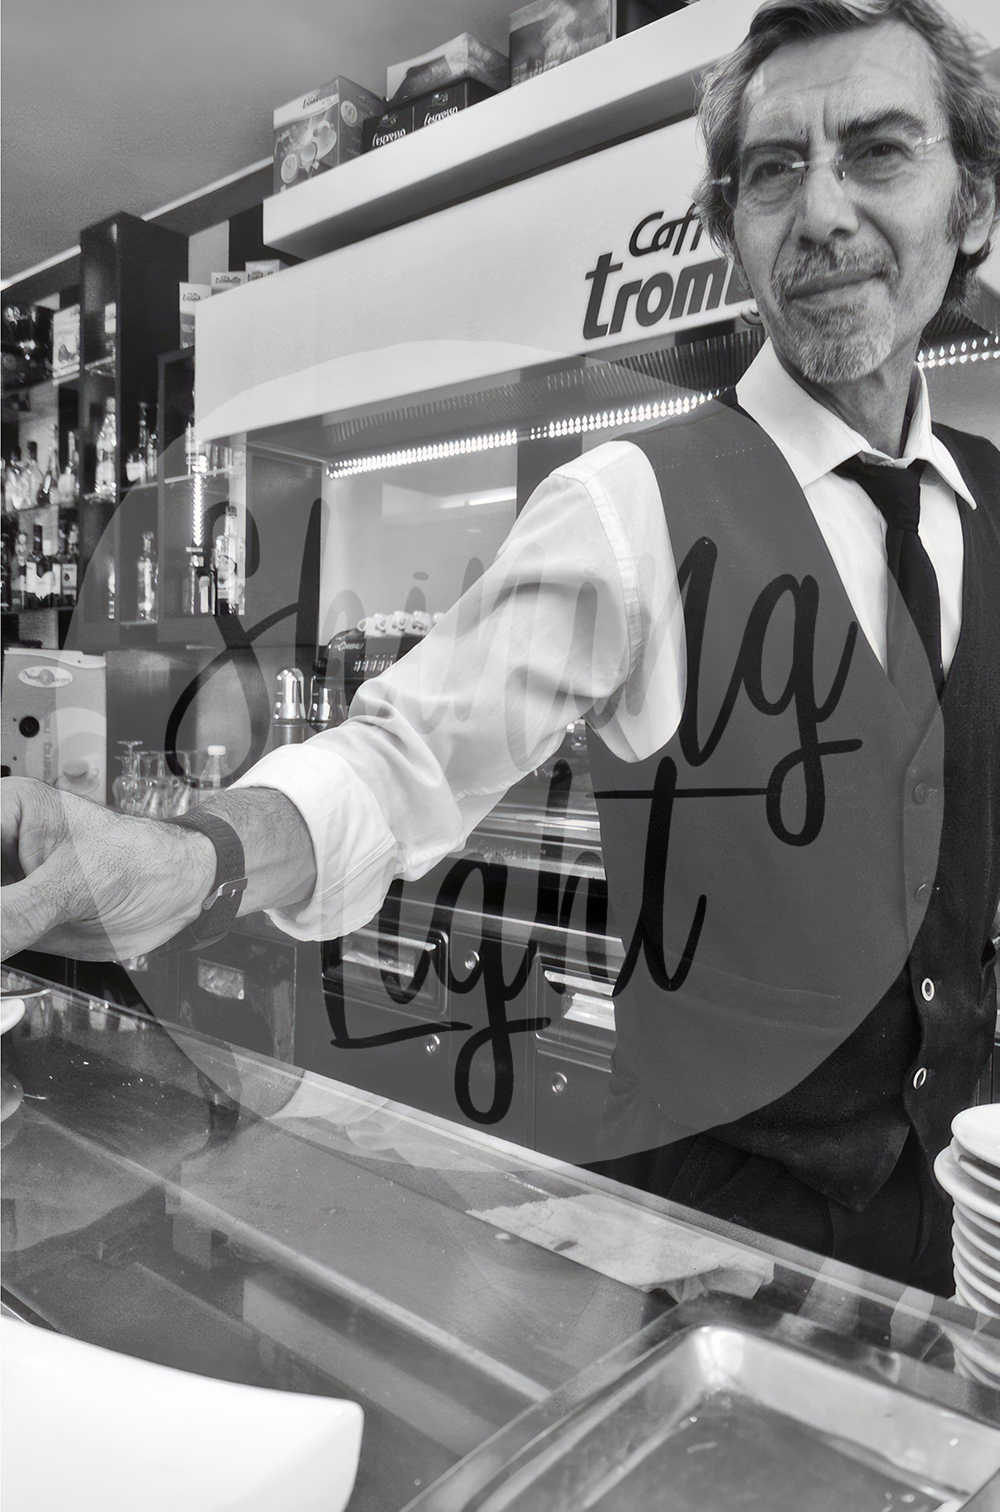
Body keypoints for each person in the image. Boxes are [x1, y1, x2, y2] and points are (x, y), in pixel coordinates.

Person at [3, 0, 998, 1295]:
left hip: (962, 1234)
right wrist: (195, 856)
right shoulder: (637, 501)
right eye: (771, 171)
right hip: (719, 1250)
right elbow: (403, 757)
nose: (821, 213)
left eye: (878, 152)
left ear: (971, 203)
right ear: (730, 231)